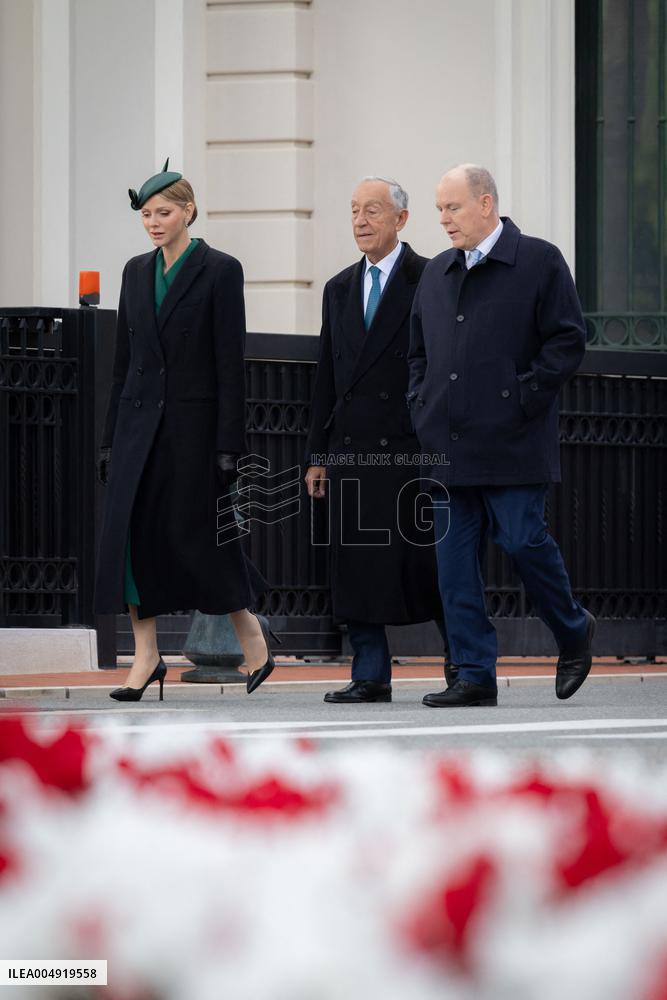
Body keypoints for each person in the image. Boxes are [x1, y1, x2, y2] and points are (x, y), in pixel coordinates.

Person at [408, 164, 595, 708]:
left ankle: (573, 629)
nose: (443, 219)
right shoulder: (436, 272)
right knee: (453, 564)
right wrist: (421, 406)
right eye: (439, 208)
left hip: (514, 440)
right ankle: (473, 674)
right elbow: (418, 354)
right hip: (447, 444)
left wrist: (524, 397)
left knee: (521, 539)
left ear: (486, 203)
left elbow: (567, 340)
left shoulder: (539, 260)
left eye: (453, 207)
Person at [95, 160, 276, 701]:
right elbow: (124, 363)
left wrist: (229, 445)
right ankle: (146, 656)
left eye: (164, 212)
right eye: (146, 214)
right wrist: (110, 438)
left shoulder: (221, 269)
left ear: (188, 211)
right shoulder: (133, 271)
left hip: (194, 432)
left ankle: (253, 639)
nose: (154, 222)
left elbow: (230, 364)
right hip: (136, 428)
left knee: (201, 540)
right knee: (130, 541)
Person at [305, 176, 447, 704]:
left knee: (429, 563)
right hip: (352, 450)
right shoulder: (338, 287)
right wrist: (317, 455)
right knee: (356, 564)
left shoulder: (432, 277)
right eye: (354, 210)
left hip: (411, 449)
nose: (361, 221)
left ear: (401, 220)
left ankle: (464, 668)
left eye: (372, 210)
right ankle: (369, 674)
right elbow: (326, 376)